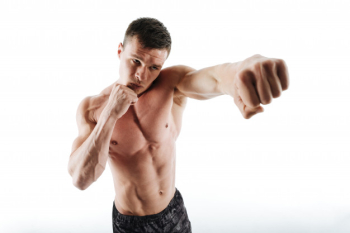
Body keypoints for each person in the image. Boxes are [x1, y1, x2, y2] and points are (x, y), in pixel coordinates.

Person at [67, 17, 289, 233]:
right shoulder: (91, 108)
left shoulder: (170, 84)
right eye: (136, 61)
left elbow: (214, 79)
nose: (142, 75)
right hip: (130, 224)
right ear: (119, 51)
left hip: (173, 212)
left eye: (154, 67)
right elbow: (81, 179)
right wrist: (110, 114)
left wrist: (241, 69)